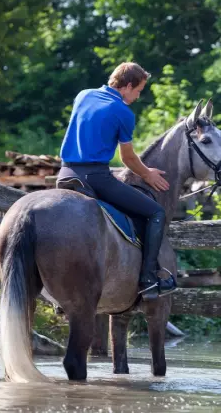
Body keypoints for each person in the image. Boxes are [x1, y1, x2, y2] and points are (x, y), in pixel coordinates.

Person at [57, 62, 176, 300]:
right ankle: (148, 279)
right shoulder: (123, 112)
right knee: (155, 213)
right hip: (96, 178)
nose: (138, 96)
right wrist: (147, 174)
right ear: (128, 86)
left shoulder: (84, 95)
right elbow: (128, 158)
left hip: (66, 174)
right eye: (139, 90)